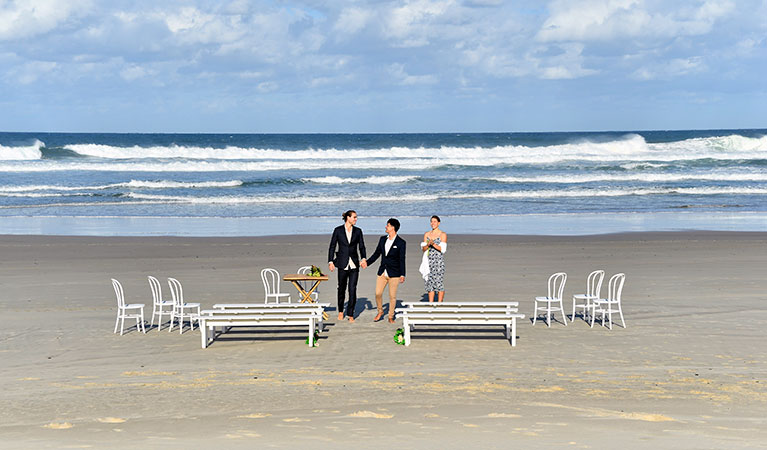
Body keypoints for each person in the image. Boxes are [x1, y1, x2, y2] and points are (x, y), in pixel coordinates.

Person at [328, 210, 367, 322]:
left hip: (354, 264)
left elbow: (362, 247)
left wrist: (363, 258)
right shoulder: (338, 230)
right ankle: (341, 311)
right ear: (348, 218)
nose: (356, 219)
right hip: (342, 263)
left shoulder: (358, 231)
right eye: (354, 217)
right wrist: (330, 261)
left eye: (356, 217)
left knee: (352, 289)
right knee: (341, 288)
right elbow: (332, 246)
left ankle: (350, 313)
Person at [365, 218, 406, 323]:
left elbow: (402, 259)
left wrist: (402, 274)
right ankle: (380, 311)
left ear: (393, 227)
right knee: (378, 293)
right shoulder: (382, 239)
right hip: (382, 271)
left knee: (392, 296)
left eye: (387, 225)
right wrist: (367, 263)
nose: (385, 227)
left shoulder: (401, 243)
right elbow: (376, 254)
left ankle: (391, 316)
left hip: (395, 273)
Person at [420, 215, 447, 302]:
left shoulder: (442, 234)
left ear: (438, 223)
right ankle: (430, 304)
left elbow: (442, 249)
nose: (432, 223)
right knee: (429, 283)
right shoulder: (427, 234)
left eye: (434, 221)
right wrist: (428, 245)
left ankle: (439, 304)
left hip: (438, 261)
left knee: (438, 282)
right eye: (431, 221)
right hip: (428, 261)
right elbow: (423, 249)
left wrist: (433, 244)